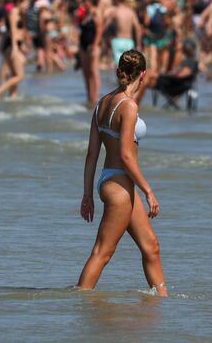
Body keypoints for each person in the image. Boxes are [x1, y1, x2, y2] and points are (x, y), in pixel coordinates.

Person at [77, 50, 167, 296]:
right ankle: (79, 301)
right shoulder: (128, 106)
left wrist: (87, 195)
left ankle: (162, 302)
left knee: (151, 247)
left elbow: (91, 155)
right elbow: (127, 155)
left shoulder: (102, 103)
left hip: (112, 180)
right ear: (143, 75)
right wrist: (148, 191)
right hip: (119, 186)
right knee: (102, 253)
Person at [0, 0, 29, 100]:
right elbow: (13, 31)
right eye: (25, 4)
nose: (27, 6)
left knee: (14, 74)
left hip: (16, 44)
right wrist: (15, 48)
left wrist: (23, 44)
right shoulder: (14, 13)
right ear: (19, 3)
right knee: (20, 76)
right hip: (12, 45)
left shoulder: (20, 14)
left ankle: (12, 96)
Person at [105, 0, 142, 66]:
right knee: (128, 67)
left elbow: (106, 25)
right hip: (129, 41)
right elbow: (138, 28)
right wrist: (139, 44)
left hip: (118, 41)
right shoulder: (131, 12)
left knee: (118, 67)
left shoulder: (115, 11)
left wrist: (105, 39)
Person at [78, 0, 102, 106]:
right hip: (83, 45)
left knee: (94, 71)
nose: (84, 4)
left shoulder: (95, 13)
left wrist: (95, 44)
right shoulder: (85, 14)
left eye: (86, 1)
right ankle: (89, 96)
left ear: (91, 1)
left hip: (93, 45)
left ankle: (95, 97)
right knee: (86, 72)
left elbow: (99, 30)